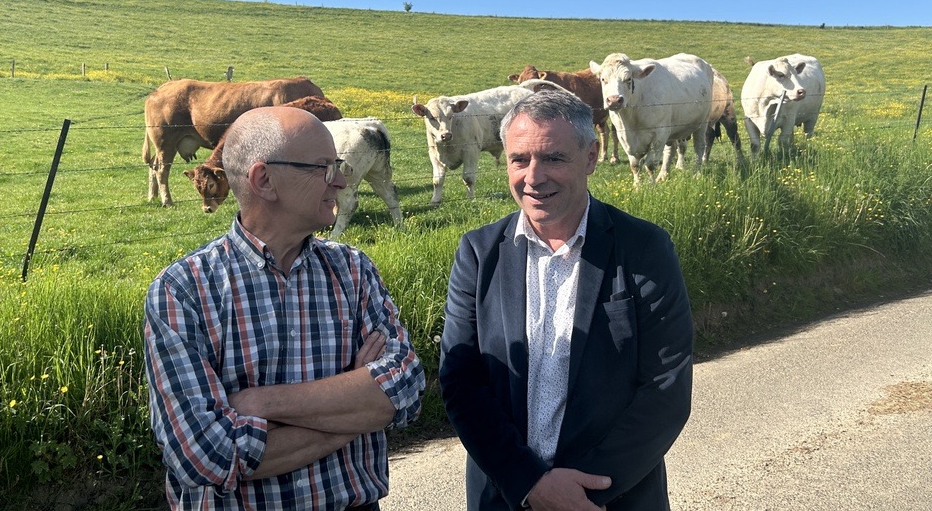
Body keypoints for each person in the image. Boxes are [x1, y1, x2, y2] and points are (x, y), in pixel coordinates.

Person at [144, 106, 426, 510]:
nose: (341, 180)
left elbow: (408, 390)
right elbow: (206, 454)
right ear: (264, 180)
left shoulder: (354, 269)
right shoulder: (183, 291)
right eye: (323, 168)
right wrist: (357, 406)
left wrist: (260, 403)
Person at [439, 89, 693, 510]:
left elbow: (665, 388)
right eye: (520, 159)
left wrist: (582, 493)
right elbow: (462, 381)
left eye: (554, 158)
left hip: (611, 498)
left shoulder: (643, 249)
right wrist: (528, 482)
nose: (534, 177)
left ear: (591, 157)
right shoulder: (479, 253)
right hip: (505, 495)